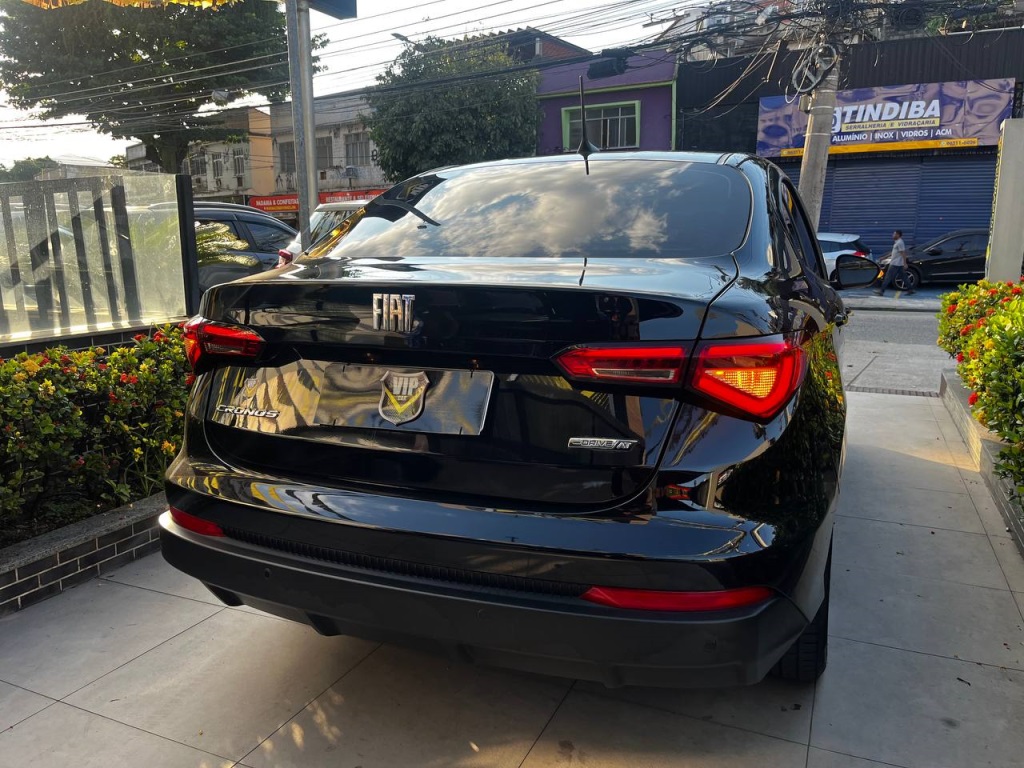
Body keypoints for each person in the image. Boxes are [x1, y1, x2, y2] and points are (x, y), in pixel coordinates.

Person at [875, 230, 913, 296]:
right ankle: (910, 290)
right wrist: (884, 257)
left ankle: (881, 291)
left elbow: (903, 253)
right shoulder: (897, 242)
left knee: (888, 277)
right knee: (904, 277)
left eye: (894, 234)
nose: (893, 235)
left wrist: (905, 263)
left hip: (895, 264)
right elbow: (893, 253)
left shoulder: (900, 243)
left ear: (898, 235)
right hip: (898, 264)